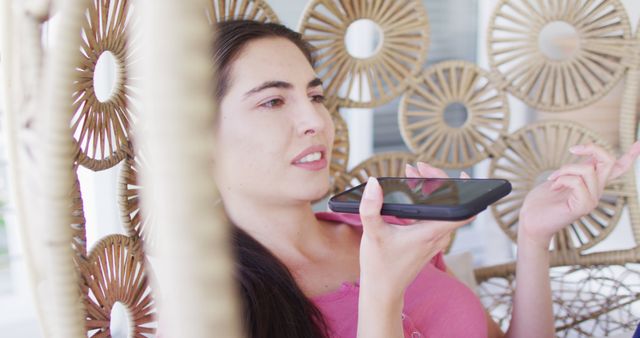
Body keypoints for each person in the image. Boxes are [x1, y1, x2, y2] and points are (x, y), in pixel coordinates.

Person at [212, 20, 640, 338]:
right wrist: (382, 293)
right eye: (272, 101)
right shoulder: (211, 306)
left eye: (316, 96)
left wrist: (533, 236)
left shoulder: (386, 232)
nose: (315, 120)